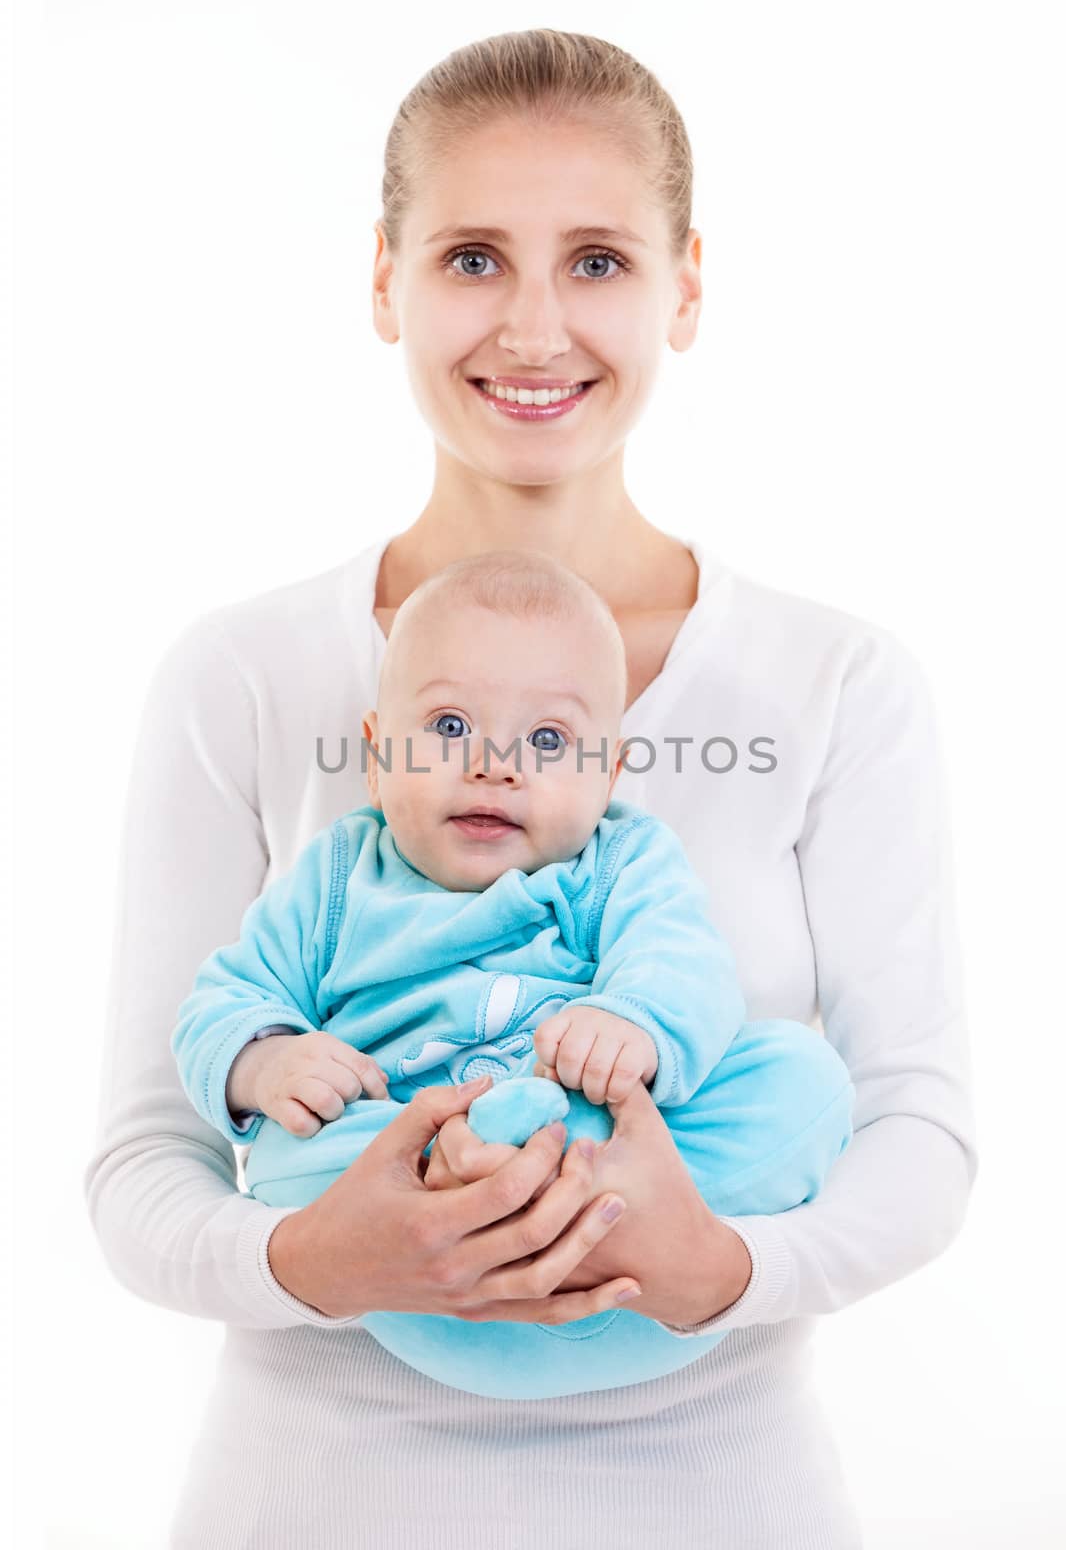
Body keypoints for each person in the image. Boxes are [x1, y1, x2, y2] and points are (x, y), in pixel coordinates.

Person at [83, 28, 978, 1549]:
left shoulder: (834, 685)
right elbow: (141, 1163)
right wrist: (319, 1255)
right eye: (476, 257)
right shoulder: (239, 675)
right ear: (384, 281)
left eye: (601, 263)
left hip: (720, 1496)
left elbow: (915, 1132)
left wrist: (721, 1272)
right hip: (313, 1502)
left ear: (687, 285)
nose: (537, 328)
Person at [170, 550, 856, 1401]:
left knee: (803, 1076)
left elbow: (685, 963)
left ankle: (582, 1208)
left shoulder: (621, 861)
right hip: (415, 1200)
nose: (497, 764)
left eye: (547, 739)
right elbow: (228, 998)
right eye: (451, 727)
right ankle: (473, 1198)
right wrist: (265, 1061)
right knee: (282, 1144)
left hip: (616, 1179)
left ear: (608, 773)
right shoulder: (341, 876)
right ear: (377, 757)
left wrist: (633, 1021)